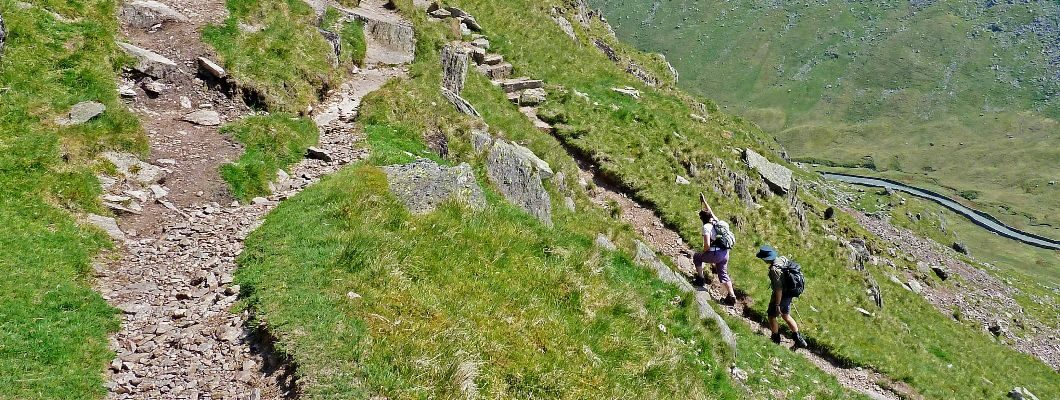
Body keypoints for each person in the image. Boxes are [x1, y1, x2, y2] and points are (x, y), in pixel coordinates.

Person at [756, 244, 808, 349]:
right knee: (786, 316)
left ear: (766, 259)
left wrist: (777, 304)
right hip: (790, 292)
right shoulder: (783, 259)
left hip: (782, 295)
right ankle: (799, 339)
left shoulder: (774, 270)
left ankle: (775, 338)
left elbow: (778, 289)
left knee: (771, 316)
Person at [693, 193, 737, 306]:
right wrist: (704, 201)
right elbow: (710, 210)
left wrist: (704, 252)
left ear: (702, 219)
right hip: (725, 253)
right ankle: (731, 295)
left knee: (697, 257)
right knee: (723, 273)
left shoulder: (706, 228)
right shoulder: (716, 222)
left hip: (716, 253)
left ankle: (700, 279)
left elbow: (707, 244)